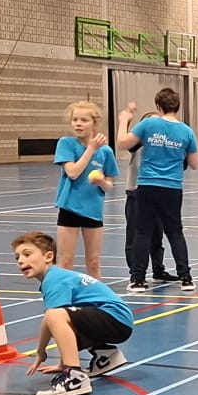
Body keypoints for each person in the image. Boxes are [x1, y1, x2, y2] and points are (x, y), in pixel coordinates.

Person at [11, 230, 134, 395]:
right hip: (117, 321)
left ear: (48, 256)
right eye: (17, 257)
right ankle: (105, 355)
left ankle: (75, 378)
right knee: (61, 318)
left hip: (115, 318)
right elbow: (61, 325)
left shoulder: (54, 279)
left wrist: (41, 352)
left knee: (56, 315)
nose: (20, 260)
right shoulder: (55, 277)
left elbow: (53, 318)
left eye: (27, 254)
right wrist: (57, 361)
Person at [117, 87, 198, 293]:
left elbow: (122, 143)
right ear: (177, 106)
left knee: (142, 233)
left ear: (158, 106)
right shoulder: (187, 131)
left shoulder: (149, 124)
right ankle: (186, 278)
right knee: (175, 233)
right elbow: (194, 163)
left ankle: (137, 279)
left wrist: (124, 120)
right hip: (172, 187)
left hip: (148, 185)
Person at [53, 101, 118, 278]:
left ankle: (98, 294)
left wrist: (101, 181)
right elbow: (73, 173)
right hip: (70, 208)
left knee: (94, 262)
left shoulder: (106, 151)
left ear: (94, 124)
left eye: (84, 120)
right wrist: (90, 149)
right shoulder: (66, 144)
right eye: (75, 120)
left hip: (93, 210)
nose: (78, 124)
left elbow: (109, 185)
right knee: (65, 261)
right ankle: (63, 293)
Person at [120, 108, 172, 291]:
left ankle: (158, 269)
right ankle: (135, 273)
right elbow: (125, 143)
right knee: (135, 235)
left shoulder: (163, 143)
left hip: (158, 191)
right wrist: (125, 120)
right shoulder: (138, 140)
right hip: (136, 192)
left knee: (157, 234)